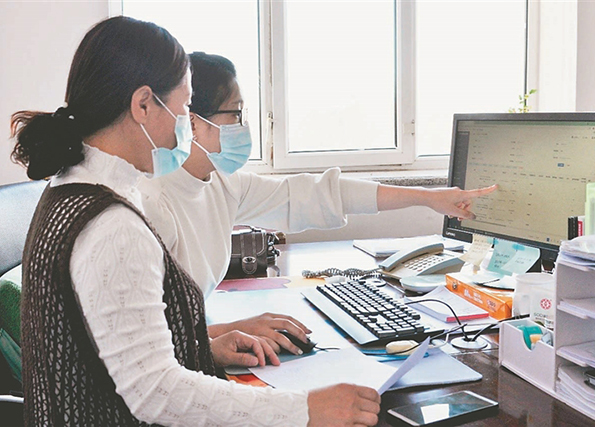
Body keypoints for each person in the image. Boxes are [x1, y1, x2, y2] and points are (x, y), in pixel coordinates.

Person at [12, 16, 380, 426]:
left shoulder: (69, 187)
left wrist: (203, 347)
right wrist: (304, 410)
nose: (185, 124)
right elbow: (157, 393)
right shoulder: (112, 225)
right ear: (144, 104)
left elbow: (112, 352)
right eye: (185, 106)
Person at [139, 52, 497, 354]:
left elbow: (319, 194)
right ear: (194, 123)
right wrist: (224, 334)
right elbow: (142, 340)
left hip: (194, 339)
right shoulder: (153, 202)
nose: (243, 127)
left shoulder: (221, 182)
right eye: (236, 114)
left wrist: (431, 199)